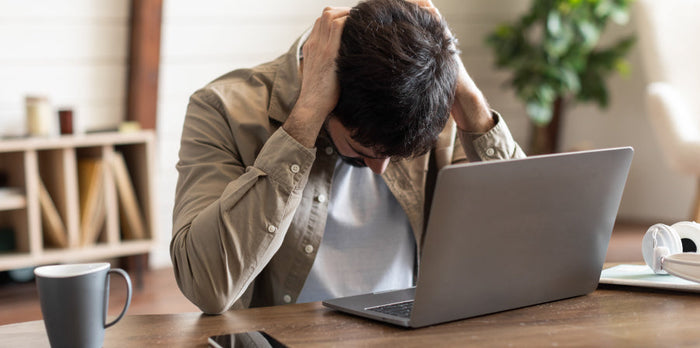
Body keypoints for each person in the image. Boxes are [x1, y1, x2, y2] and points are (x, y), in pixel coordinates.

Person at [170, 0, 525, 314]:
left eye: (395, 157)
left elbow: (527, 239)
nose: (379, 167)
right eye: (361, 150)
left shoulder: (430, 108)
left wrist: (471, 101)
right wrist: (304, 118)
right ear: (330, 99)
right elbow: (207, 287)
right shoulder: (221, 109)